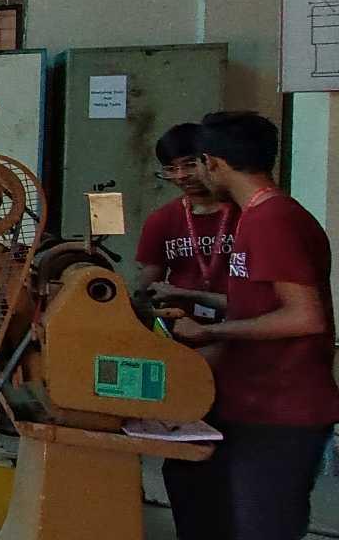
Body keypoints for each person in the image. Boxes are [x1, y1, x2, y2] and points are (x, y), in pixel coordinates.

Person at [157, 111, 339, 540]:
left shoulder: (274, 220)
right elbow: (258, 303)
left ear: (213, 163)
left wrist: (210, 332)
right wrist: (190, 297)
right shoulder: (258, 216)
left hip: (281, 411)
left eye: (197, 163)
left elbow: (303, 316)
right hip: (248, 402)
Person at [135, 123, 238, 306]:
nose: (181, 176)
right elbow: (149, 281)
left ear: (210, 161)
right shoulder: (161, 219)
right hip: (180, 318)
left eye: (189, 165)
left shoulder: (245, 211)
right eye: (171, 169)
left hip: (243, 316)